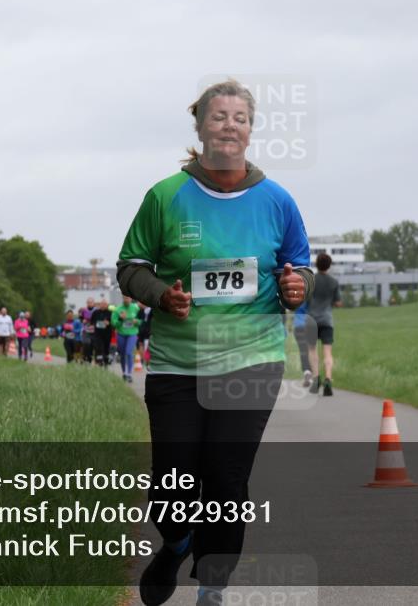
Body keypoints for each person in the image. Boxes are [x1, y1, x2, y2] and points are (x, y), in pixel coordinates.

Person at [117, 79, 313, 606]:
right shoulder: (165, 197)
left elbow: (300, 269)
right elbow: (131, 267)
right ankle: (176, 541)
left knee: (227, 482)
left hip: (253, 360)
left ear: (251, 130)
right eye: (219, 116)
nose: (229, 125)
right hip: (178, 364)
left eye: (240, 117)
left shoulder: (277, 201)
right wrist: (161, 294)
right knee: (173, 485)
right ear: (200, 125)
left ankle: (212, 588)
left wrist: (298, 287)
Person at [306, 252, 342, 396]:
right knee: (327, 352)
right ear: (329, 265)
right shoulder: (333, 282)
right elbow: (338, 303)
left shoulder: (311, 280)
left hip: (312, 320)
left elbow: (305, 298)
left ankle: (316, 379)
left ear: (316, 264)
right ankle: (328, 378)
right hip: (327, 320)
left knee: (312, 350)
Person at [111, 296, 141, 382]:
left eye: (128, 298)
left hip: (132, 333)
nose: (126, 300)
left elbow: (141, 320)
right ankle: (124, 372)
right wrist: (121, 319)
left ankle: (129, 373)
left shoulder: (135, 308)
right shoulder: (118, 309)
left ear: (131, 299)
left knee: (128, 352)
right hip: (121, 334)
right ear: (122, 298)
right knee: (123, 354)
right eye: (124, 298)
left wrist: (137, 322)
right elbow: (114, 323)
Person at [292, 304, 313, 388]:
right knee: (312, 350)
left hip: (299, 326)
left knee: (303, 350)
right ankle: (314, 374)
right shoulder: (312, 295)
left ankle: (307, 372)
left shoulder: (297, 295)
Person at [91, 299, 114, 367]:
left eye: (105, 304)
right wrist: (95, 323)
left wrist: (108, 323)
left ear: (107, 305)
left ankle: (106, 363)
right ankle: (99, 362)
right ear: (99, 305)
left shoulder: (110, 313)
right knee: (99, 348)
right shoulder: (95, 312)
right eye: (102, 304)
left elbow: (113, 323)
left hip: (107, 334)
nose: (103, 306)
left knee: (106, 348)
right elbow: (92, 321)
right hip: (98, 334)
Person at [137, 301, 154, 370]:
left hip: (145, 330)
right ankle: (145, 361)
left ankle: (145, 360)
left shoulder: (146, 310)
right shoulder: (145, 310)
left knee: (144, 345)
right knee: (143, 345)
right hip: (145, 330)